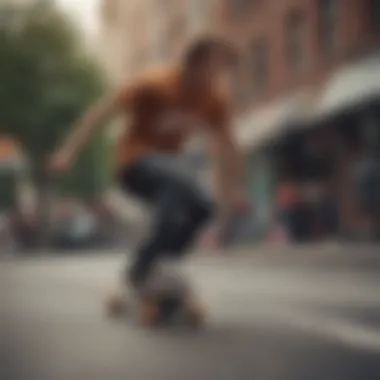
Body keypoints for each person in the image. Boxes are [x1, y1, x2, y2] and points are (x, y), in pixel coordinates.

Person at [49, 36, 248, 292]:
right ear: (195, 63)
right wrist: (67, 152)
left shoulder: (214, 99)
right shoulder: (153, 84)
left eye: (223, 71)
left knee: (203, 206)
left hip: (168, 170)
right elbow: (99, 113)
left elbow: (230, 147)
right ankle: (151, 268)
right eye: (215, 69)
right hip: (133, 164)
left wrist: (236, 189)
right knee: (177, 182)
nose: (218, 78)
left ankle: (149, 267)